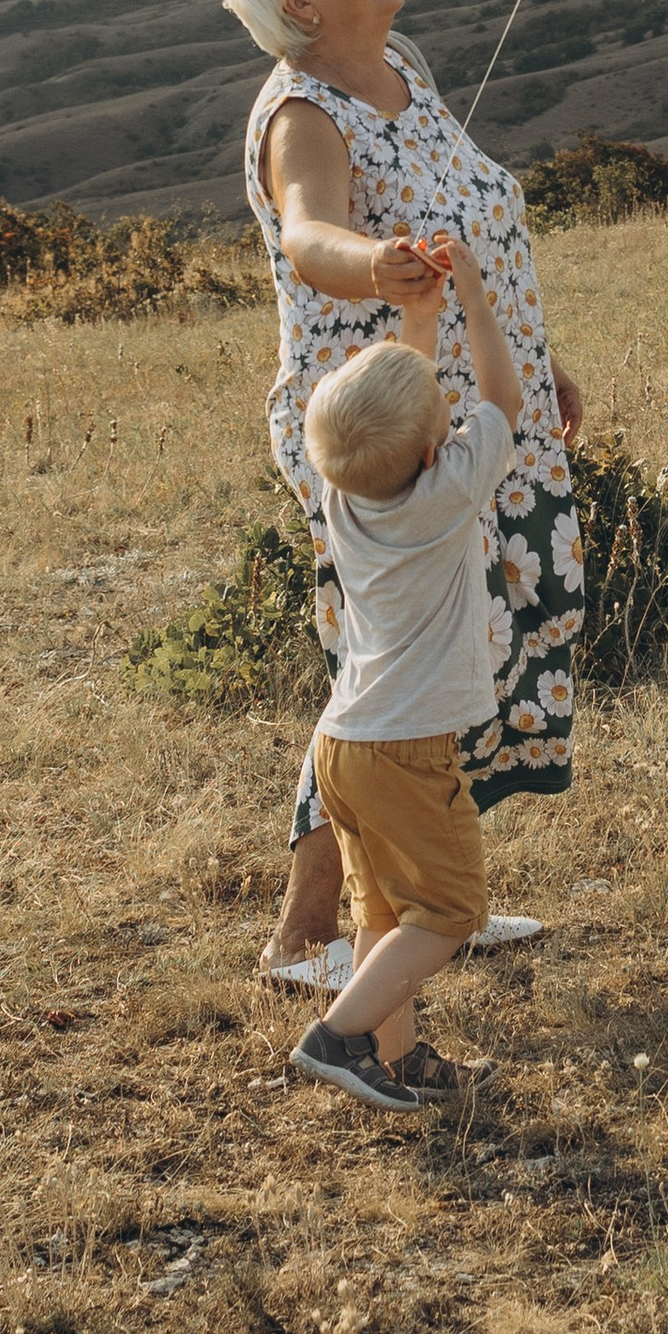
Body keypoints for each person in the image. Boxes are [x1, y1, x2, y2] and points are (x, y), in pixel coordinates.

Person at [214, 0, 586, 984]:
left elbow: (473, 216)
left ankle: (421, 901)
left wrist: (533, 350)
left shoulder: (404, 69)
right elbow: (309, 231)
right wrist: (372, 263)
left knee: (477, 641)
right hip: (387, 428)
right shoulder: (304, 113)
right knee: (392, 670)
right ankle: (307, 931)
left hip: (475, 404)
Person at [287, 237, 520, 1108]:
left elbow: (414, 409)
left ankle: (400, 1054)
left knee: (382, 912)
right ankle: (338, 1036)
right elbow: (503, 397)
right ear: (435, 454)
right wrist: (478, 306)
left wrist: (418, 320)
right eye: (443, 423)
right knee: (450, 910)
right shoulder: (451, 490)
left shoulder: (343, 494)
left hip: (342, 746)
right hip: (408, 750)